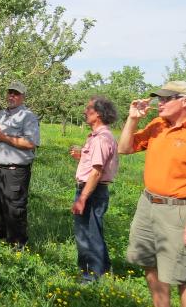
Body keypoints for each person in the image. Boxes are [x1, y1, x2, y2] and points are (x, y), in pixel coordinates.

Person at [118, 81, 186, 307]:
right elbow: (125, 148)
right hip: (148, 204)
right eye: (160, 98)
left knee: (183, 275)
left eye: (168, 98)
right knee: (150, 263)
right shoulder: (158, 124)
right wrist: (133, 118)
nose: (161, 103)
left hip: (179, 210)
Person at [70, 96, 119, 283]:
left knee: (87, 235)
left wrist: (82, 198)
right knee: (94, 232)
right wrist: (82, 157)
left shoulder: (100, 138)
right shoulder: (101, 136)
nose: (84, 111)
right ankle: (104, 270)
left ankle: (90, 276)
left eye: (88, 108)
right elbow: (97, 165)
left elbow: (97, 173)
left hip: (92, 190)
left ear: (97, 113)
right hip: (94, 189)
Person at [0, 81, 40, 248]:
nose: (11, 96)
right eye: (10, 92)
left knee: (14, 208)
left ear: (23, 96)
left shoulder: (28, 116)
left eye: (16, 93)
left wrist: (4, 138)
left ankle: (17, 244)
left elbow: (31, 143)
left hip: (14, 171)